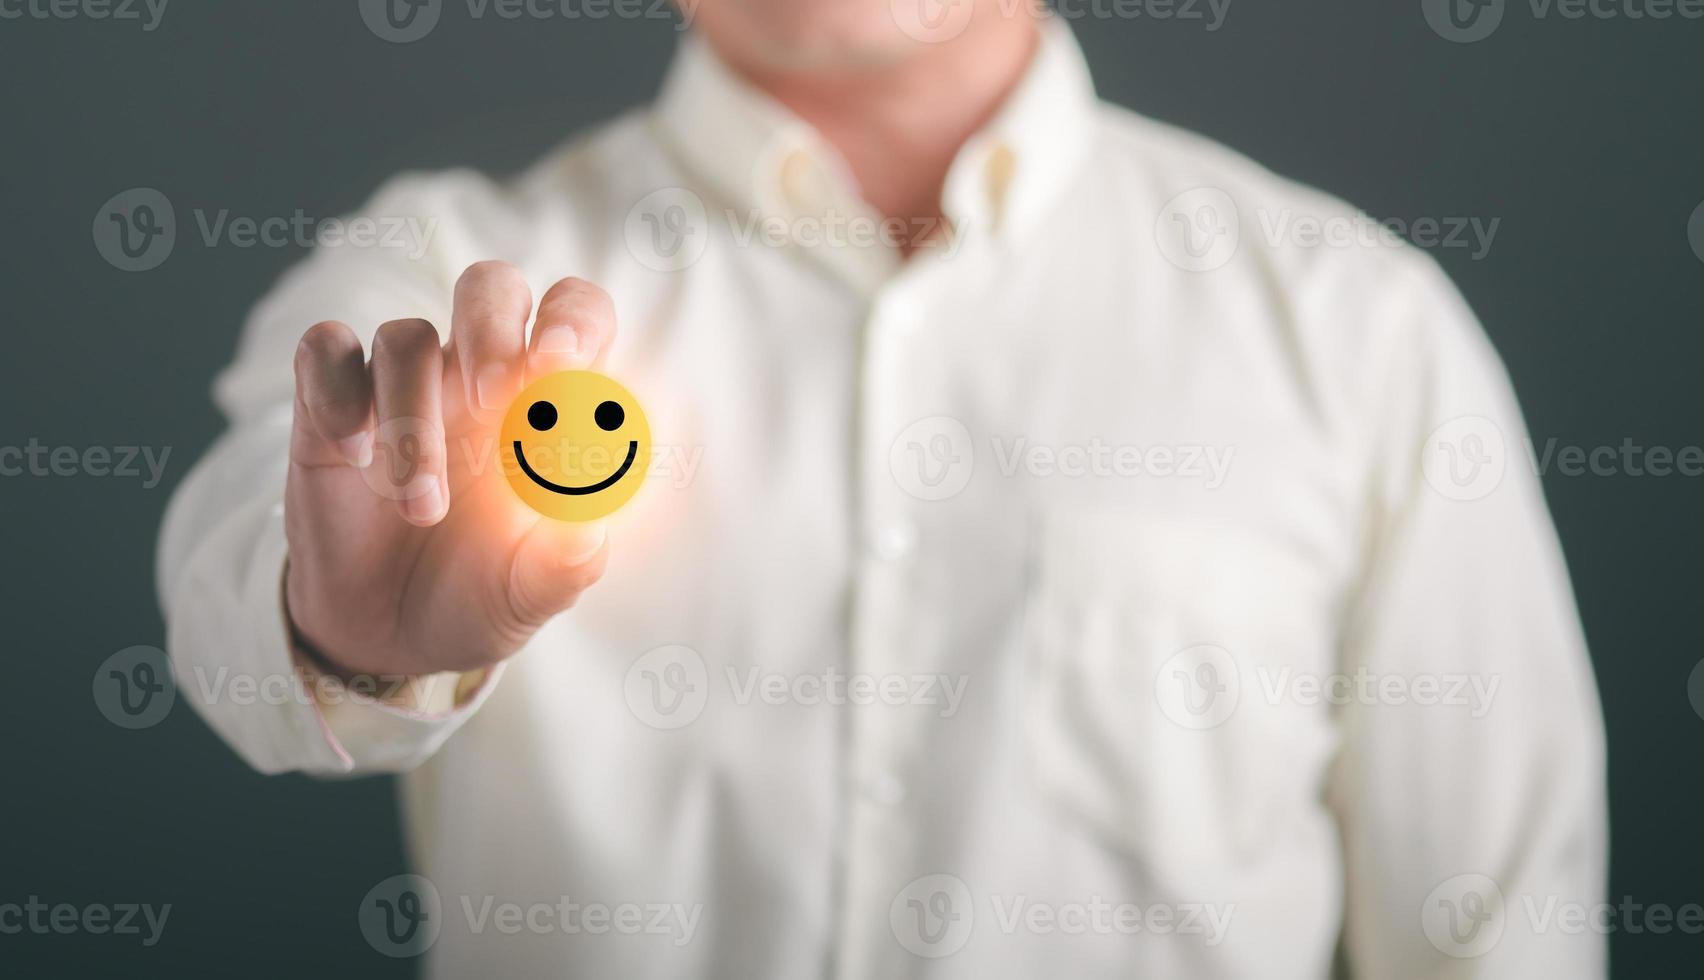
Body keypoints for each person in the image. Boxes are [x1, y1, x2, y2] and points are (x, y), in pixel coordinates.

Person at [157, 0, 1607, 975]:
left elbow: (1501, 932)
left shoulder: (1358, 331)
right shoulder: (439, 269)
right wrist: (340, 634)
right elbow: (238, 576)